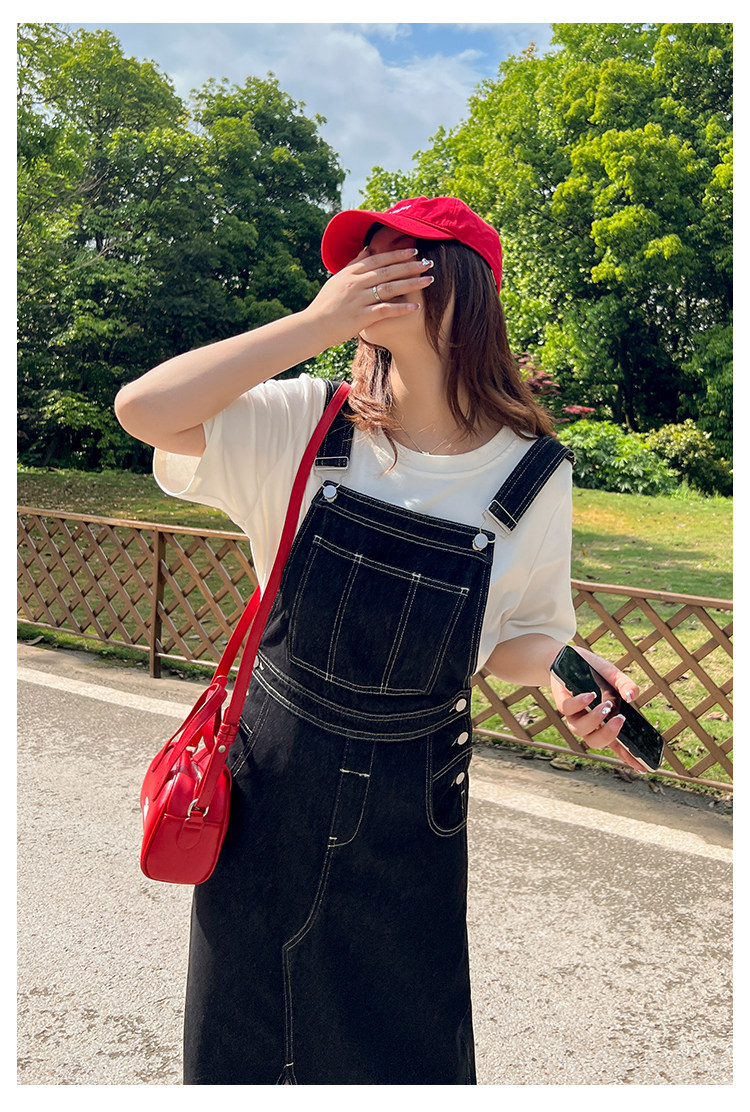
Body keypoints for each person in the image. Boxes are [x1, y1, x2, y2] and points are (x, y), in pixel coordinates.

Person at [115, 196, 642, 1086]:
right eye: (363, 259)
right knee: (238, 1051)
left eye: (400, 256)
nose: (369, 273)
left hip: (412, 808)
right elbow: (143, 409)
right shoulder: (306, 421)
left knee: (405, 1062)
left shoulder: (532, 472)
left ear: (463, 287)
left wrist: (561, 671)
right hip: (267, 787)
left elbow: (515, 638)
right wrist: (312, 324)